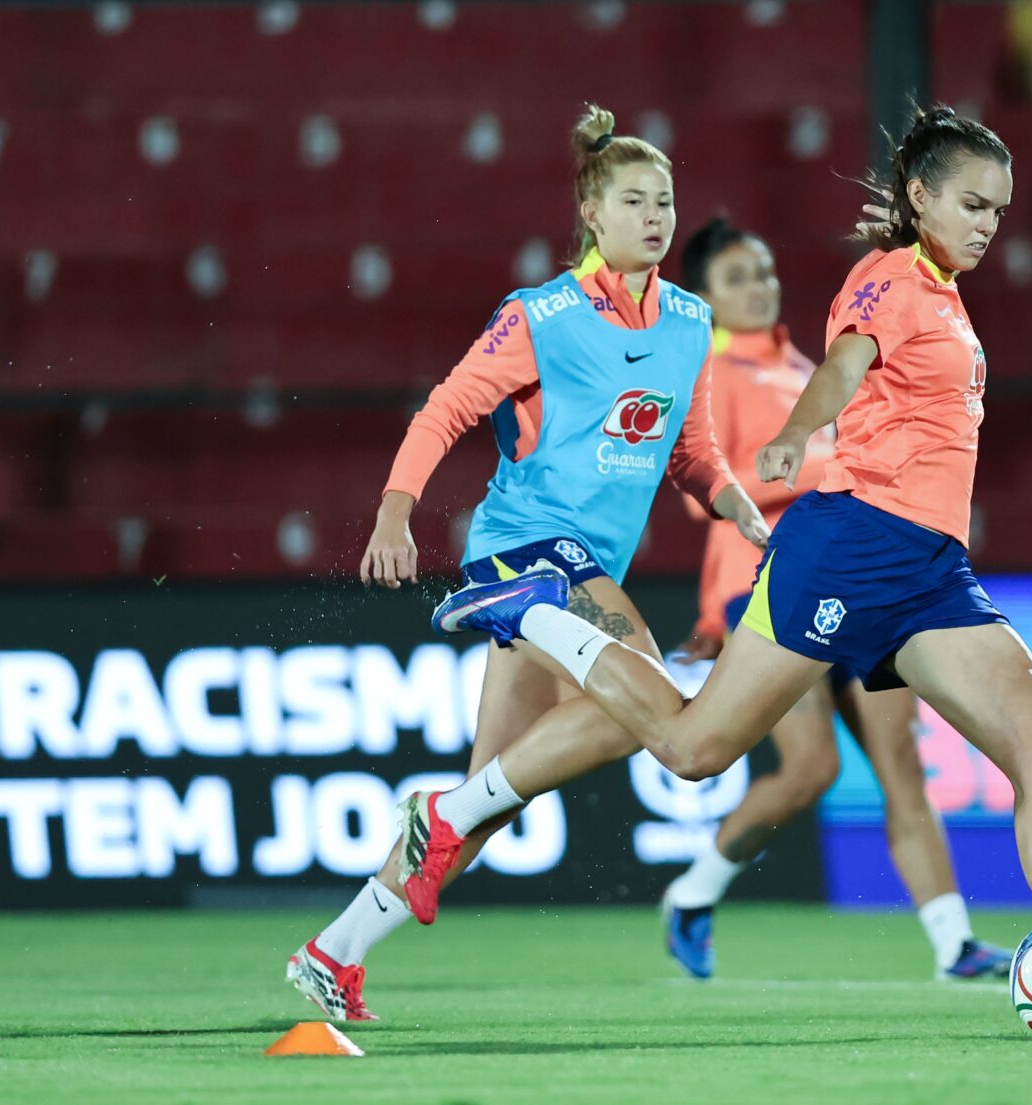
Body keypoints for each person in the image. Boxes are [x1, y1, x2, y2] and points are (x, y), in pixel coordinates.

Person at [407, 105, 1032, 1031]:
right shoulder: (889, 279)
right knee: (695, 750)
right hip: (850, 545)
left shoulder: (947, 294)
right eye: (974, 203)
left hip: (931, 572)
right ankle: (536, 610)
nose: (991, 223)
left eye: (1001, 208)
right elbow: (846, 367)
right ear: (920, 196)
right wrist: (794, 433)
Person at [284, 104, 768, 1022]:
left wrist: (743, 510)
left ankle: (333, 951)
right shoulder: (540, 314)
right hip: (527, 548)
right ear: (592, 210)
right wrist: (396, 514)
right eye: (634, 200)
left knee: (487, 799)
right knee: (655, 708)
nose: (656, 216)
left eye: (665, 201)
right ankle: (482, 645)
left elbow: (690, 450)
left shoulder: (691, 322)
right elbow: (446, 409)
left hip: (574, 570)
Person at [661, 216, 1009, 981]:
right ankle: (694, 891)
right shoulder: (708, 371)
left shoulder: (802, 363)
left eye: (763, 270)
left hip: (867, 570)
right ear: (705, 298)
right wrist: (816, 463)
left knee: (900, 764)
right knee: (811, 765)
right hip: (774, 581)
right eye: (736, 277)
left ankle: (955, 942)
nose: (758, 286)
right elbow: (701, 490)